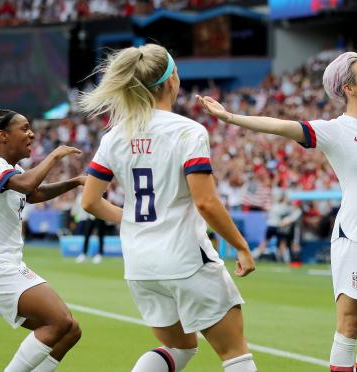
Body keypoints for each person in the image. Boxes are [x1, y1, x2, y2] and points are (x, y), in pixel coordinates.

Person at [199, 21, 357, 372]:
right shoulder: (334, 131)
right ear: (349, 88)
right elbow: (281, 126)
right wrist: (229, 117)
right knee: (349, 327)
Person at [79, 43, 258, 372]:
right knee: (235, 353)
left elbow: (89, 202)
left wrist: (132, 220)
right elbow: (205, 201)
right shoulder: (187, 130)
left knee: (179, 347)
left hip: (140, 264)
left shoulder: (115, 135)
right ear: (172, 78)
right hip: (185, 258)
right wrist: (241, 246)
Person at [0, 109, 85, 372]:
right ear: (3, 135)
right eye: (25, 128)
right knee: (59, 322)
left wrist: (76, 181)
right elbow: (27, 184)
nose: (32, 133)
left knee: (70, 330)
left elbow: (34, 192)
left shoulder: (12, 169)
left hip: (8, 266)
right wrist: (54, 155)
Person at [72, 190, 107, 264]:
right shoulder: (89, 190)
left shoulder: (103, 191)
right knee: (86, 235)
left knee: (100, 235)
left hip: (100, 215)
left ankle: (99, 254)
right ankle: (84, 254)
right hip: (90, 216)